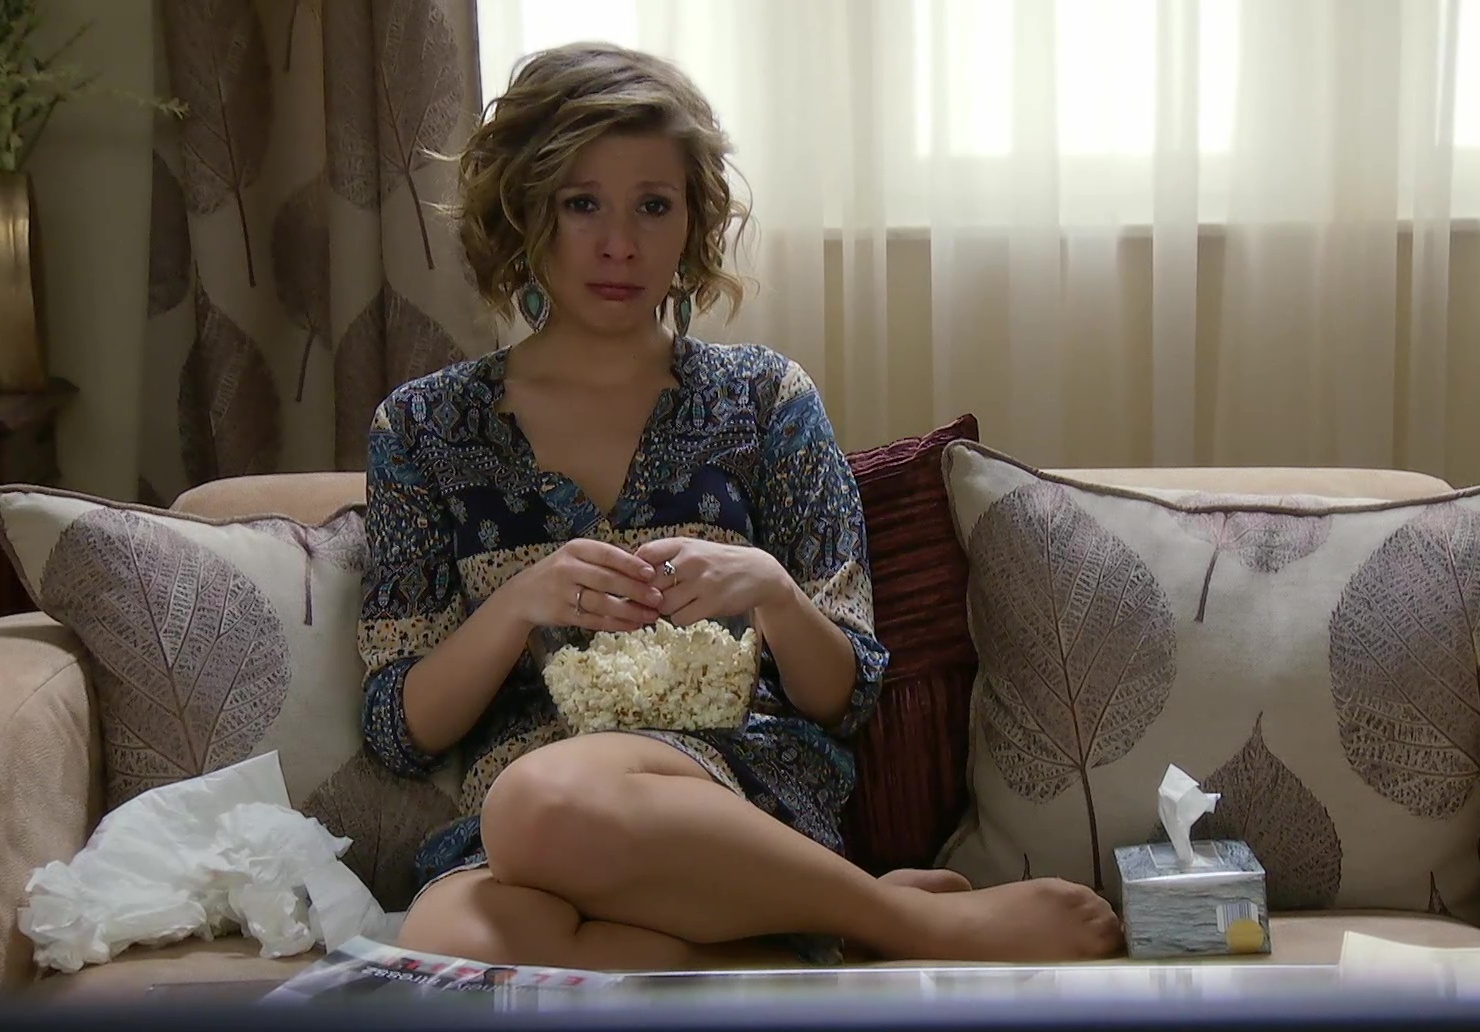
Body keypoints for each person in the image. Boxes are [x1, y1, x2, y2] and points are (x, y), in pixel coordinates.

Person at [356, 42, 1121, 972]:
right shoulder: (424, 426)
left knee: (539, 804)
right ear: (523, 211)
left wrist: (770, 592)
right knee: (444, 940)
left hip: (730, 784)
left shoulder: (763, 400)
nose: (620, 244)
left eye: (653, 205)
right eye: (581, 203)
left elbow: (845, 695)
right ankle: (848, 937)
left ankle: (919, 930)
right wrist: (519, 604)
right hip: (517, 835)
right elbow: (400, 728)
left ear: (693, 221)